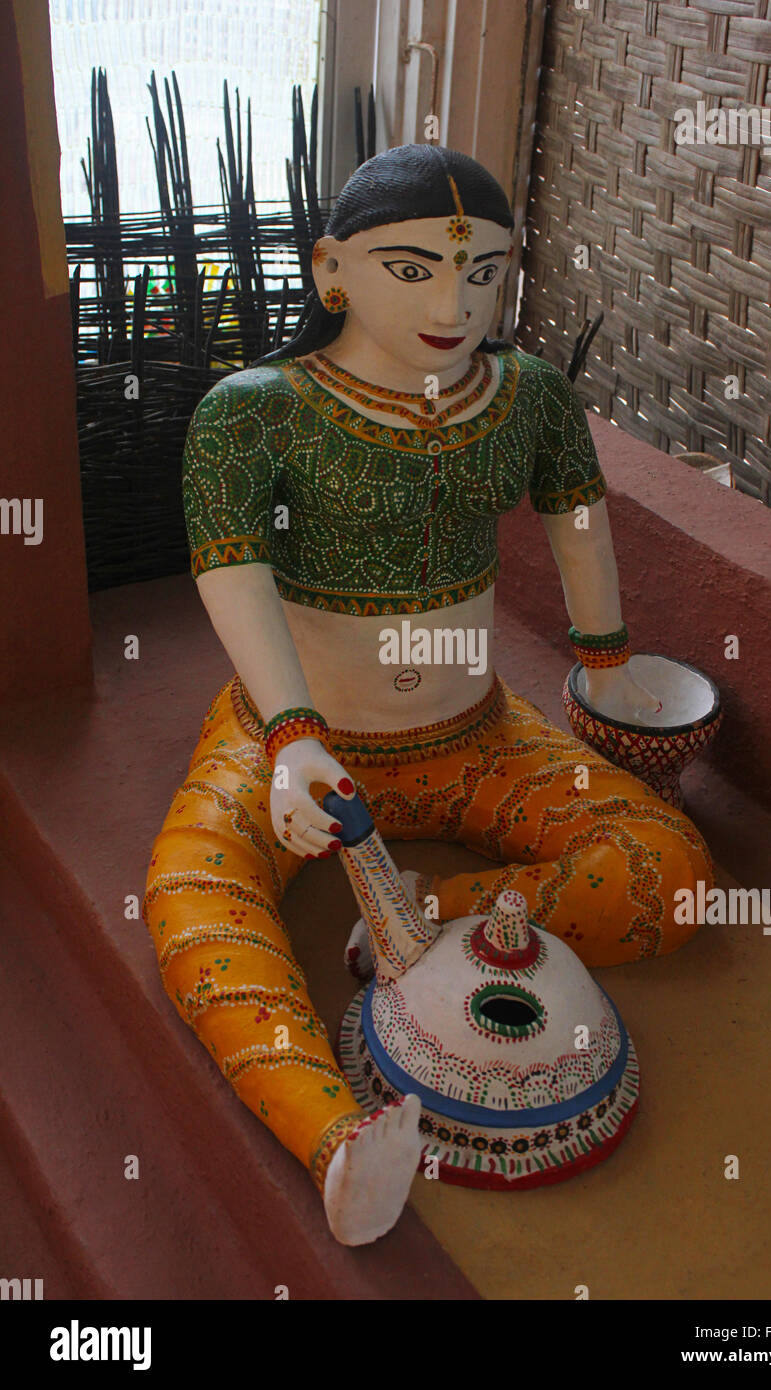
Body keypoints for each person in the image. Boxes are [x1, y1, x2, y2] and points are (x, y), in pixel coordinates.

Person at [144, 144, 713, 1245]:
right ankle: (337, 1139)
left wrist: (604, 660)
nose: (455, 302)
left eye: (485, 272)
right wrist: (295, 740)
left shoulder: (528, 397)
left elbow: (576, 521)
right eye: (409, 269)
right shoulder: (253, 412)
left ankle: (421, 919)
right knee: (190, 900)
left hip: (479, 737)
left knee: (675, 873)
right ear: (330, 272)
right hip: (297, 750)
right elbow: (233, 569)